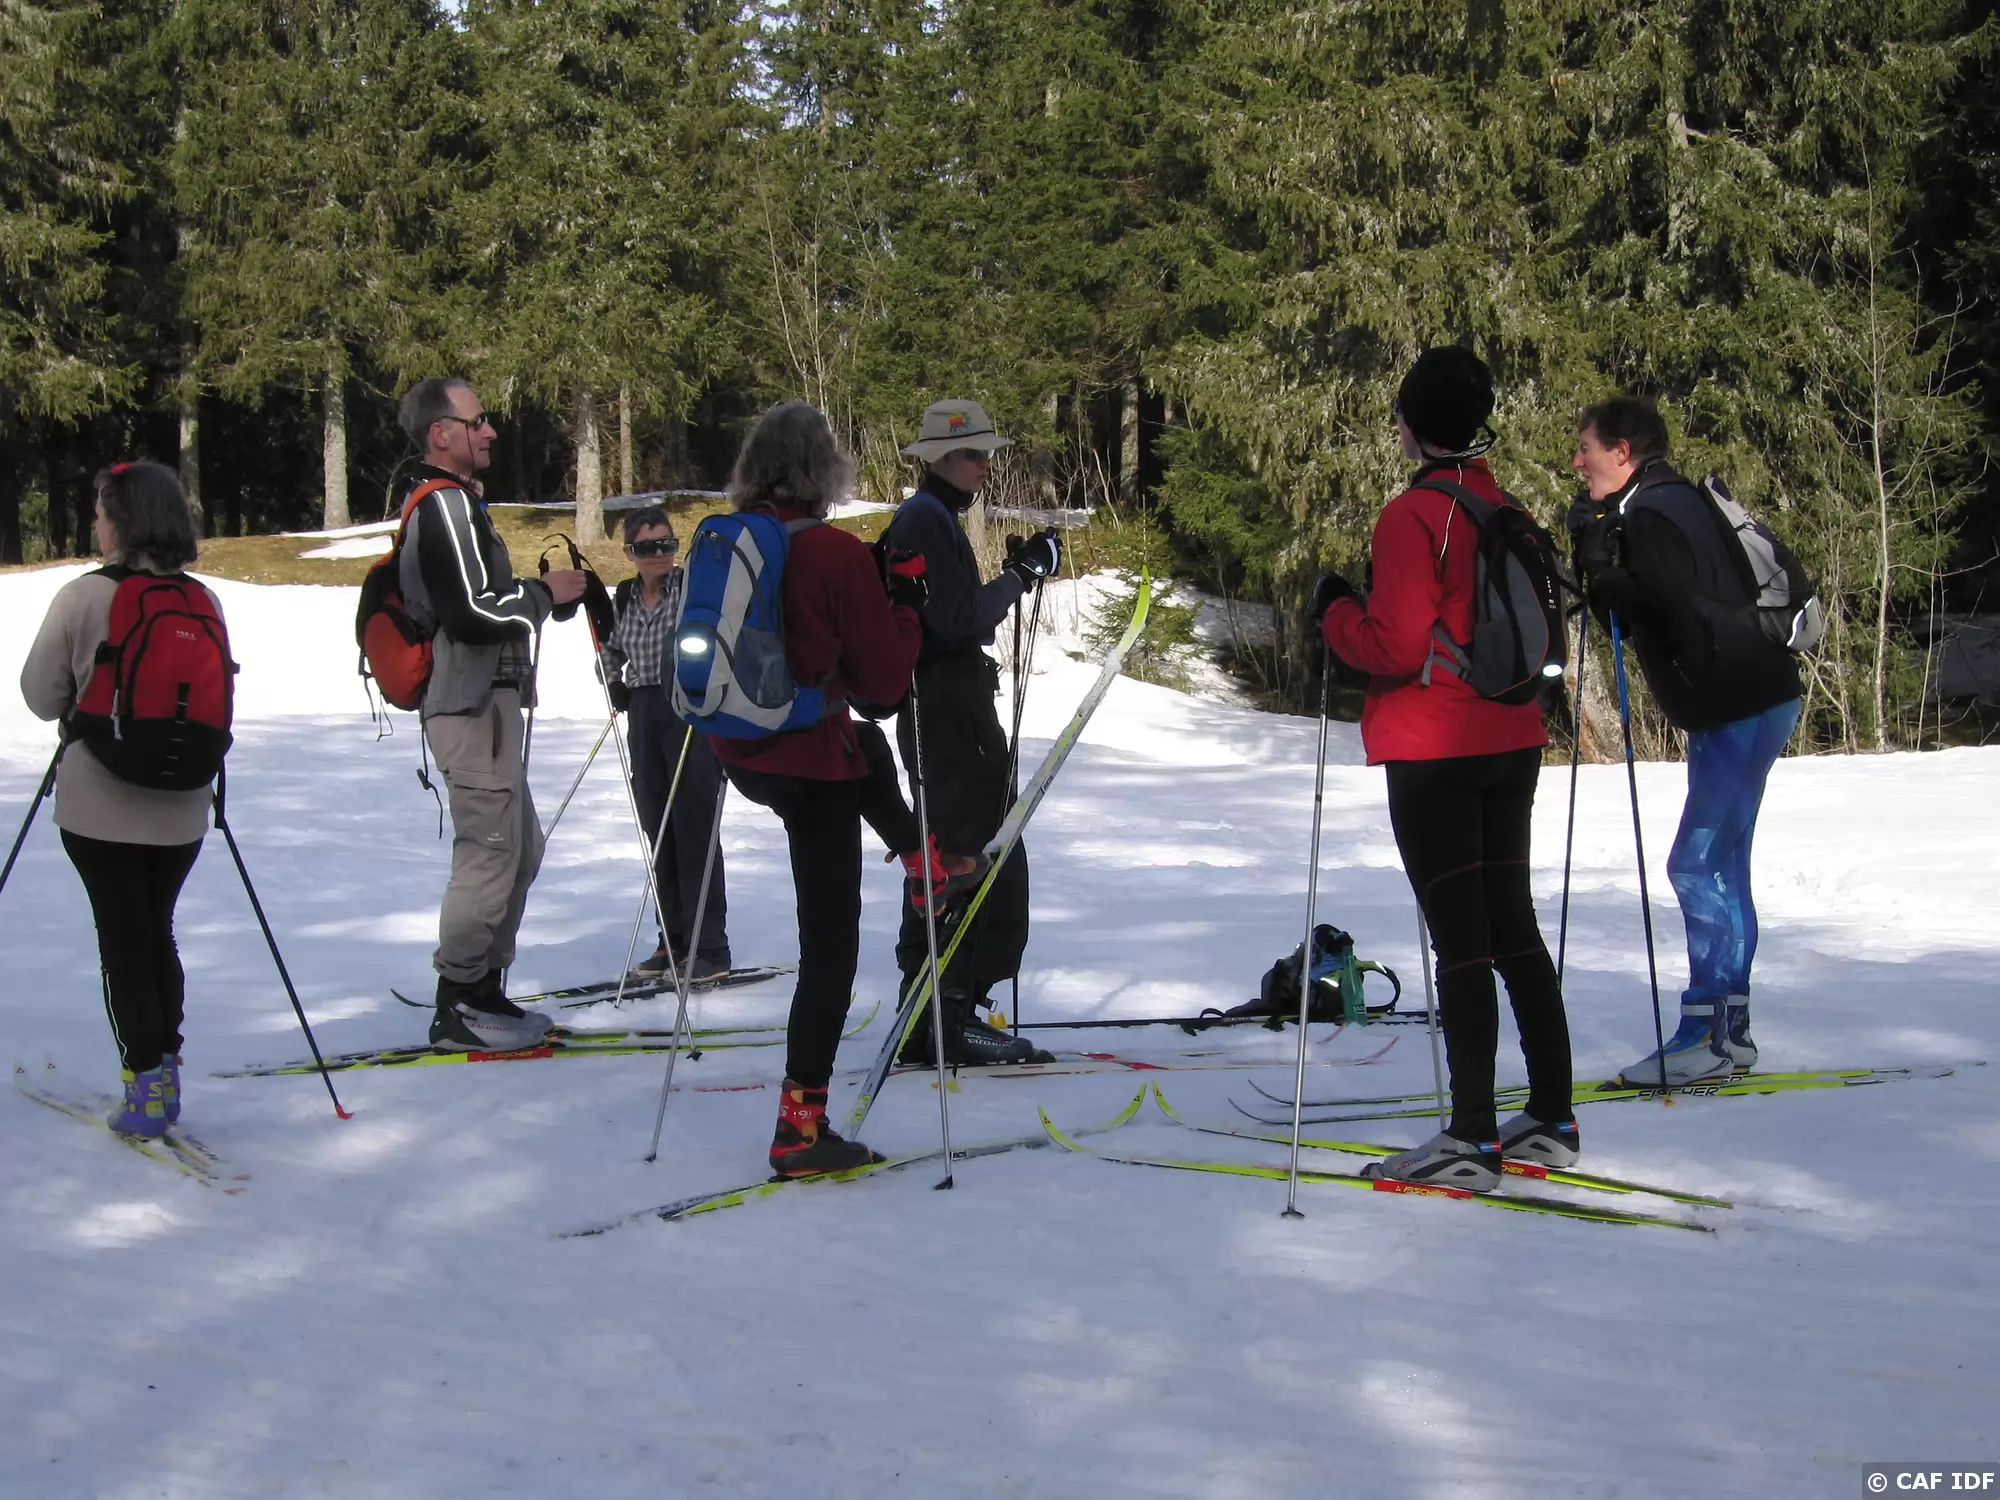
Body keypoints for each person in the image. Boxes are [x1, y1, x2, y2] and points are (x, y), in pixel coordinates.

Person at [1315, 348, 1577, 1191]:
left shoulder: (1413, 516)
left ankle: (1471, 1138)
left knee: (1462, 944)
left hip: (1436, 747)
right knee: (1513, 929)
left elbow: (1393, 646)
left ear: (1412, 424)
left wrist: (1335, 613)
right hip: (1512, 735)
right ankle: (1551, 1116)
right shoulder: (1505, 506)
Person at [706, 400, 928, 1177]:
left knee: (864, 747)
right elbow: (884, 688)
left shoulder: (728, 542)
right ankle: (800, 1130)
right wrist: (905, 610)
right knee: (830, 948)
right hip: (810, 765)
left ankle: (918, 854)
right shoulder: (833, 553)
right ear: (824, 469)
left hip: (740, 752)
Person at [1568, 395, 1804, 1086]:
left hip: (1735, 704)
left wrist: (1604, 574)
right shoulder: (1675, 498)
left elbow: (1672, 607)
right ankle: (1733, 1032)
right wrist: (1607, 564)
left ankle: (1705, 1035)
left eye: (1586, 448)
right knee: (1725, 865)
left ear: (1623, 453)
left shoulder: (1651, 512)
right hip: (1758, 697)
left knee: (1695, 867)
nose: (1577, 462)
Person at [20, 461, 220, 1136]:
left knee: (123, 941)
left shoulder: (82, 598)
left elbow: (39, 694)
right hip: (183, 804)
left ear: (124, 522)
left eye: (103, 512)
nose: (96, 523)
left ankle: (145, 1087)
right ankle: (166, 1068)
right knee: (156, 930)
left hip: (98, 804)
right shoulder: (202, 602)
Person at [393, 377, 587, 1052]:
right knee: (492, 851)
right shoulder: (444, 504)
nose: (491, 431)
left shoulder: (458, 503)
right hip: (470, 707)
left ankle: (482, 991)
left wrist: (535, 598)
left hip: (487, 706)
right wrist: (543, 593)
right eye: (477, 421)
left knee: (519, 847)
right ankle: (458, 1001)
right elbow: (473, 614)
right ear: (440, 432)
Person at [878, 399, 1059, 1067]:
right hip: (949, 713)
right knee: (974, 857)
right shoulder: (926, 518)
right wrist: (1021, 575)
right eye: (972, 455)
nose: (984, 466)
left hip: (945, 710)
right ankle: (943, 1016)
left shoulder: (929, 517)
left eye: (987, 455)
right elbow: (957, 621)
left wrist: (1011, 579)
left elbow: (950, 613)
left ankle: (932, 1012)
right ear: (940, 459)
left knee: (958, 853)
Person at [600, 506, 731, 981]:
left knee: (694, 826)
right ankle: (671, 940)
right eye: (648, 546)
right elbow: (610, 650)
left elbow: (720, 637)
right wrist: (615, 683)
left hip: (689, 711)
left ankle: (709, 946)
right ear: (630, 553)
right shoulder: (626, 597)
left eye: (667, 544)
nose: (659, 554)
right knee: (658, 828)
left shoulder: (691, 588)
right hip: (645, 711)